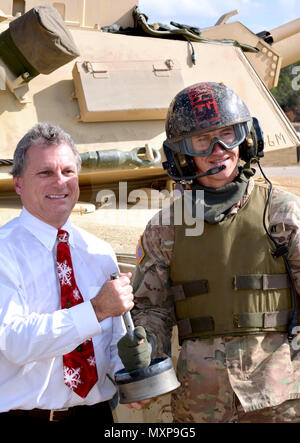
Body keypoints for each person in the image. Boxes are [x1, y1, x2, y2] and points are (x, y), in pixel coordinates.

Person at [117, 82, 300, 423]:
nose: (219, 149)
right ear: (183, 152)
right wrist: (145, 349)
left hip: (278, 399)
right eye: (204, 140)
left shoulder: (283, 213)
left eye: (227, 134)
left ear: (246, 138)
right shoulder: (165, 227)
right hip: (199, 403)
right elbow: (152, 310)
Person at [0, 122, 134, 423]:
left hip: (94, 415)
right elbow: (15, 342)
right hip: (25, 414)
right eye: (45, 172)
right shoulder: (3, 253)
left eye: (68, 172)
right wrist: (96, 309)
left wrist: (128, 375)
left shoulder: (99, 252)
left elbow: (114, 339)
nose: (60, 182)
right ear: (18, 183)